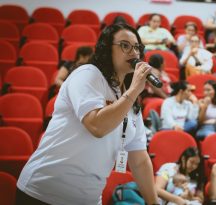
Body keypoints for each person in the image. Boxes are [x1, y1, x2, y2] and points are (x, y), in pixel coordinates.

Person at [16, 24, 158, 204]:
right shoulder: (87, 75)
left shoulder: (130, 99)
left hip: (88, 199)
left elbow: (139, 160)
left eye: (137, 47)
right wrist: (134, 90)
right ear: (107, 49)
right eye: (125, 45)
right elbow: (96, 126)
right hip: (43, 193)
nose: (134, 52)